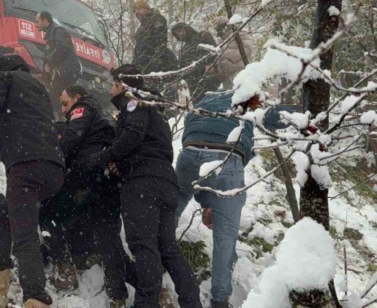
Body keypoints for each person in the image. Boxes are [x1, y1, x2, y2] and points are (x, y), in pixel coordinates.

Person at [73, 64, 202, 308]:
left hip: (142, 184)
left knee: (144, 246)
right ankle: (191, 302)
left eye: (113, 84)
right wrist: (124, 162)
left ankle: (146, 302)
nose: (111, 90)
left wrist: (105, 157)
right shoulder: (155, 108)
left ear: (122, 83)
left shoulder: (134, 100)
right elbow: (150, 145)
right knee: (168, 250)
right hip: (165, 180)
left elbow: (132, 135)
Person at [0, 54, 65, 308]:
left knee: (24, 237)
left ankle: (36, 297)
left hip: (25, 167)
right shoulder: (38, 87)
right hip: (54, 169)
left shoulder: (4, 77)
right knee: (3, 218)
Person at [175, 91, 290, 308]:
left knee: (171, 209)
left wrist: (207, 201)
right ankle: (219, 301)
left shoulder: (206, 99)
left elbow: (191, 125)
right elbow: (281, 116)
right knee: (225, 240)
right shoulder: (249, 101)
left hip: (189, 153)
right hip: (226, 156)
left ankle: (150, 258)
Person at [39, 84, 131, 306]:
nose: (63, 110)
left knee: (46, 210)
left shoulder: (83, 108)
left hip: (87, 172)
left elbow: (72, 138)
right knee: (109, 238)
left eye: (64, 103)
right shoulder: (106, 117)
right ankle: (119, 294)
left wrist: (50, 159)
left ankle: (65, 266)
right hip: (109, 180)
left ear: (77, 98)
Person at [35, 11, 81, 114]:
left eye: (37, 21)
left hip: (65, 71)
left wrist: (50, 64)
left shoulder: (57, 30)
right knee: (56, 96)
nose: (35, 24)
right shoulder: (51, 32)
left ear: (45, 20)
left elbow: (61, 48)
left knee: (55, 96)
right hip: (63, 71)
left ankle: (58, 120)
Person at [171, 22, 219, 102]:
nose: (179, 34)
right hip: (193, 84)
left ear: (186, 29)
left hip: (208, 77)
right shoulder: (183, 49)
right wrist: (177, 80)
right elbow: (182, 68)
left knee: (213, 103)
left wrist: (210, 64)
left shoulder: (202, 36)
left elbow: (213, 51)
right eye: (177, 33)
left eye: (180, 30)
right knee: (199, 108)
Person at [132, 0, 177, 75]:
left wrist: (153, 61)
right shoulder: (140, 28)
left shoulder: (157, 19)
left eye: (139, 9)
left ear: (146, 8)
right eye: (134, 11)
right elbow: (138, 48)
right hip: (142, 64)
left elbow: (159, 41)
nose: (136, 12)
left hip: (156, 62)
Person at [214, 22, 255, 89]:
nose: (218, 33)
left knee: (241, 96)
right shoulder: (221, 41)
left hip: (238, 71)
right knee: (230, 98)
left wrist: (229, 58)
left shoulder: (240, 33)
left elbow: (247, 48)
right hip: (226, 75)